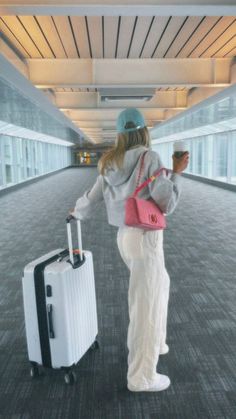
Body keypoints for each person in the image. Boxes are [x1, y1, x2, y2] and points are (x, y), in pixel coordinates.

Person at [70, 108, 189, 392]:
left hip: (124, 236)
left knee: (160, 287)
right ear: (143, 131)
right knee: (144, 307)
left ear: (120, 134)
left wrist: (76, 212)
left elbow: (93, 195)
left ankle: (157, 343)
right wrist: (178, 174)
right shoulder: (150, 157)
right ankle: (141, 377)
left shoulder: (109, 161)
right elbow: (167, 204)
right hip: (146, 237)